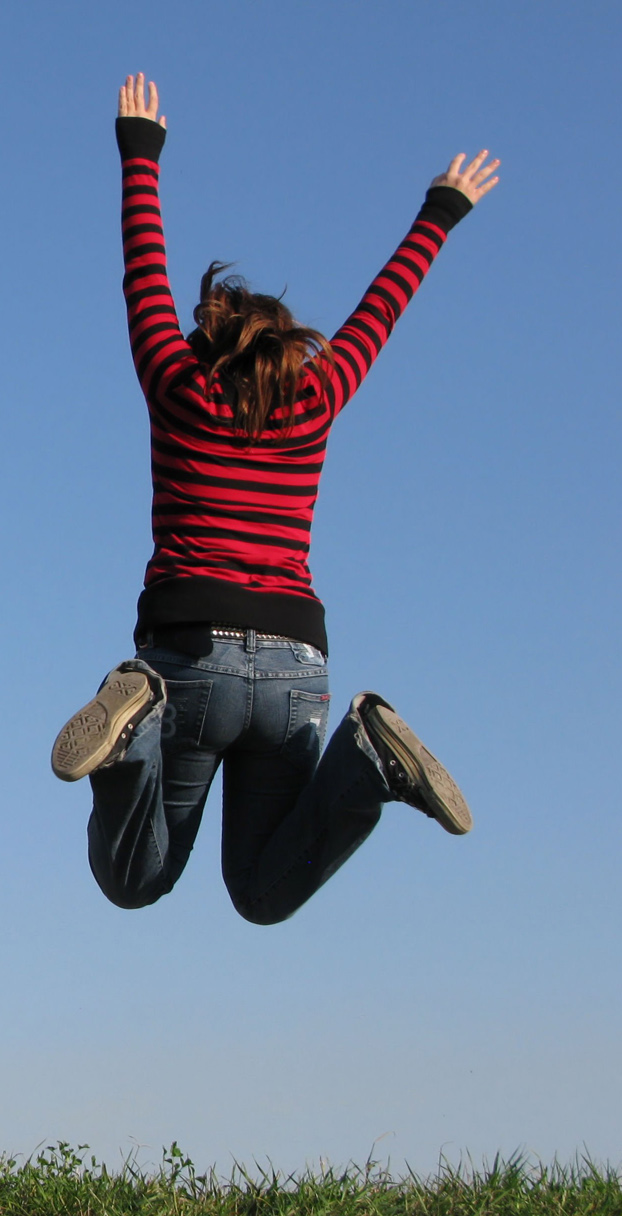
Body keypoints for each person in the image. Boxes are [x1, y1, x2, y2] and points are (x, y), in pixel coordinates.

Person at [50, 74, 498, 925]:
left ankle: (134, 733)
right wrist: (442, 210)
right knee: (260, 894)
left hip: (189, 654)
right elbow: (382, 308)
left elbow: (143, 274)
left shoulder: (177, 385)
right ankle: (365, 762)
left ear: (204, 343)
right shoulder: (317, 396)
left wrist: (140, 154)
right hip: (296, 665)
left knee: (135, 881)